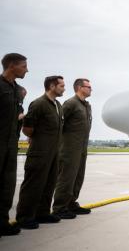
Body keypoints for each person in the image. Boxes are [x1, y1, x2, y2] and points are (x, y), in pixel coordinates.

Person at [16, 76, 65, 229]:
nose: (64, 88)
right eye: (61, 85)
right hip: (40, 152)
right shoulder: (39, 104)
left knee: (49, 184)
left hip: (54, 152)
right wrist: (39, 141)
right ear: (51, 86)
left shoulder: (58, 105)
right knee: (33, 185)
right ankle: (25, 217)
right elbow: (27, 128)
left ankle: (42, 213)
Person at [52, 78, 92, 219]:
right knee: (66, 178)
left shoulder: (86, 105)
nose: (90, 89)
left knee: (78, 177)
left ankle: (71, 203)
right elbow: (59, 123)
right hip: (69, 149)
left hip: (82, 148)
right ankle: (59, 207)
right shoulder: (70, 104)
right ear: (80, 88)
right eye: (88, 87)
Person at [0, 53, 28, 237]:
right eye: (24, 66)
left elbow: (16, 114)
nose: (27, 69)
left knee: (7, 184)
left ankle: (2, 222)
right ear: (11, 65)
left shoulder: (18, 90)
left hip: (11, 143)